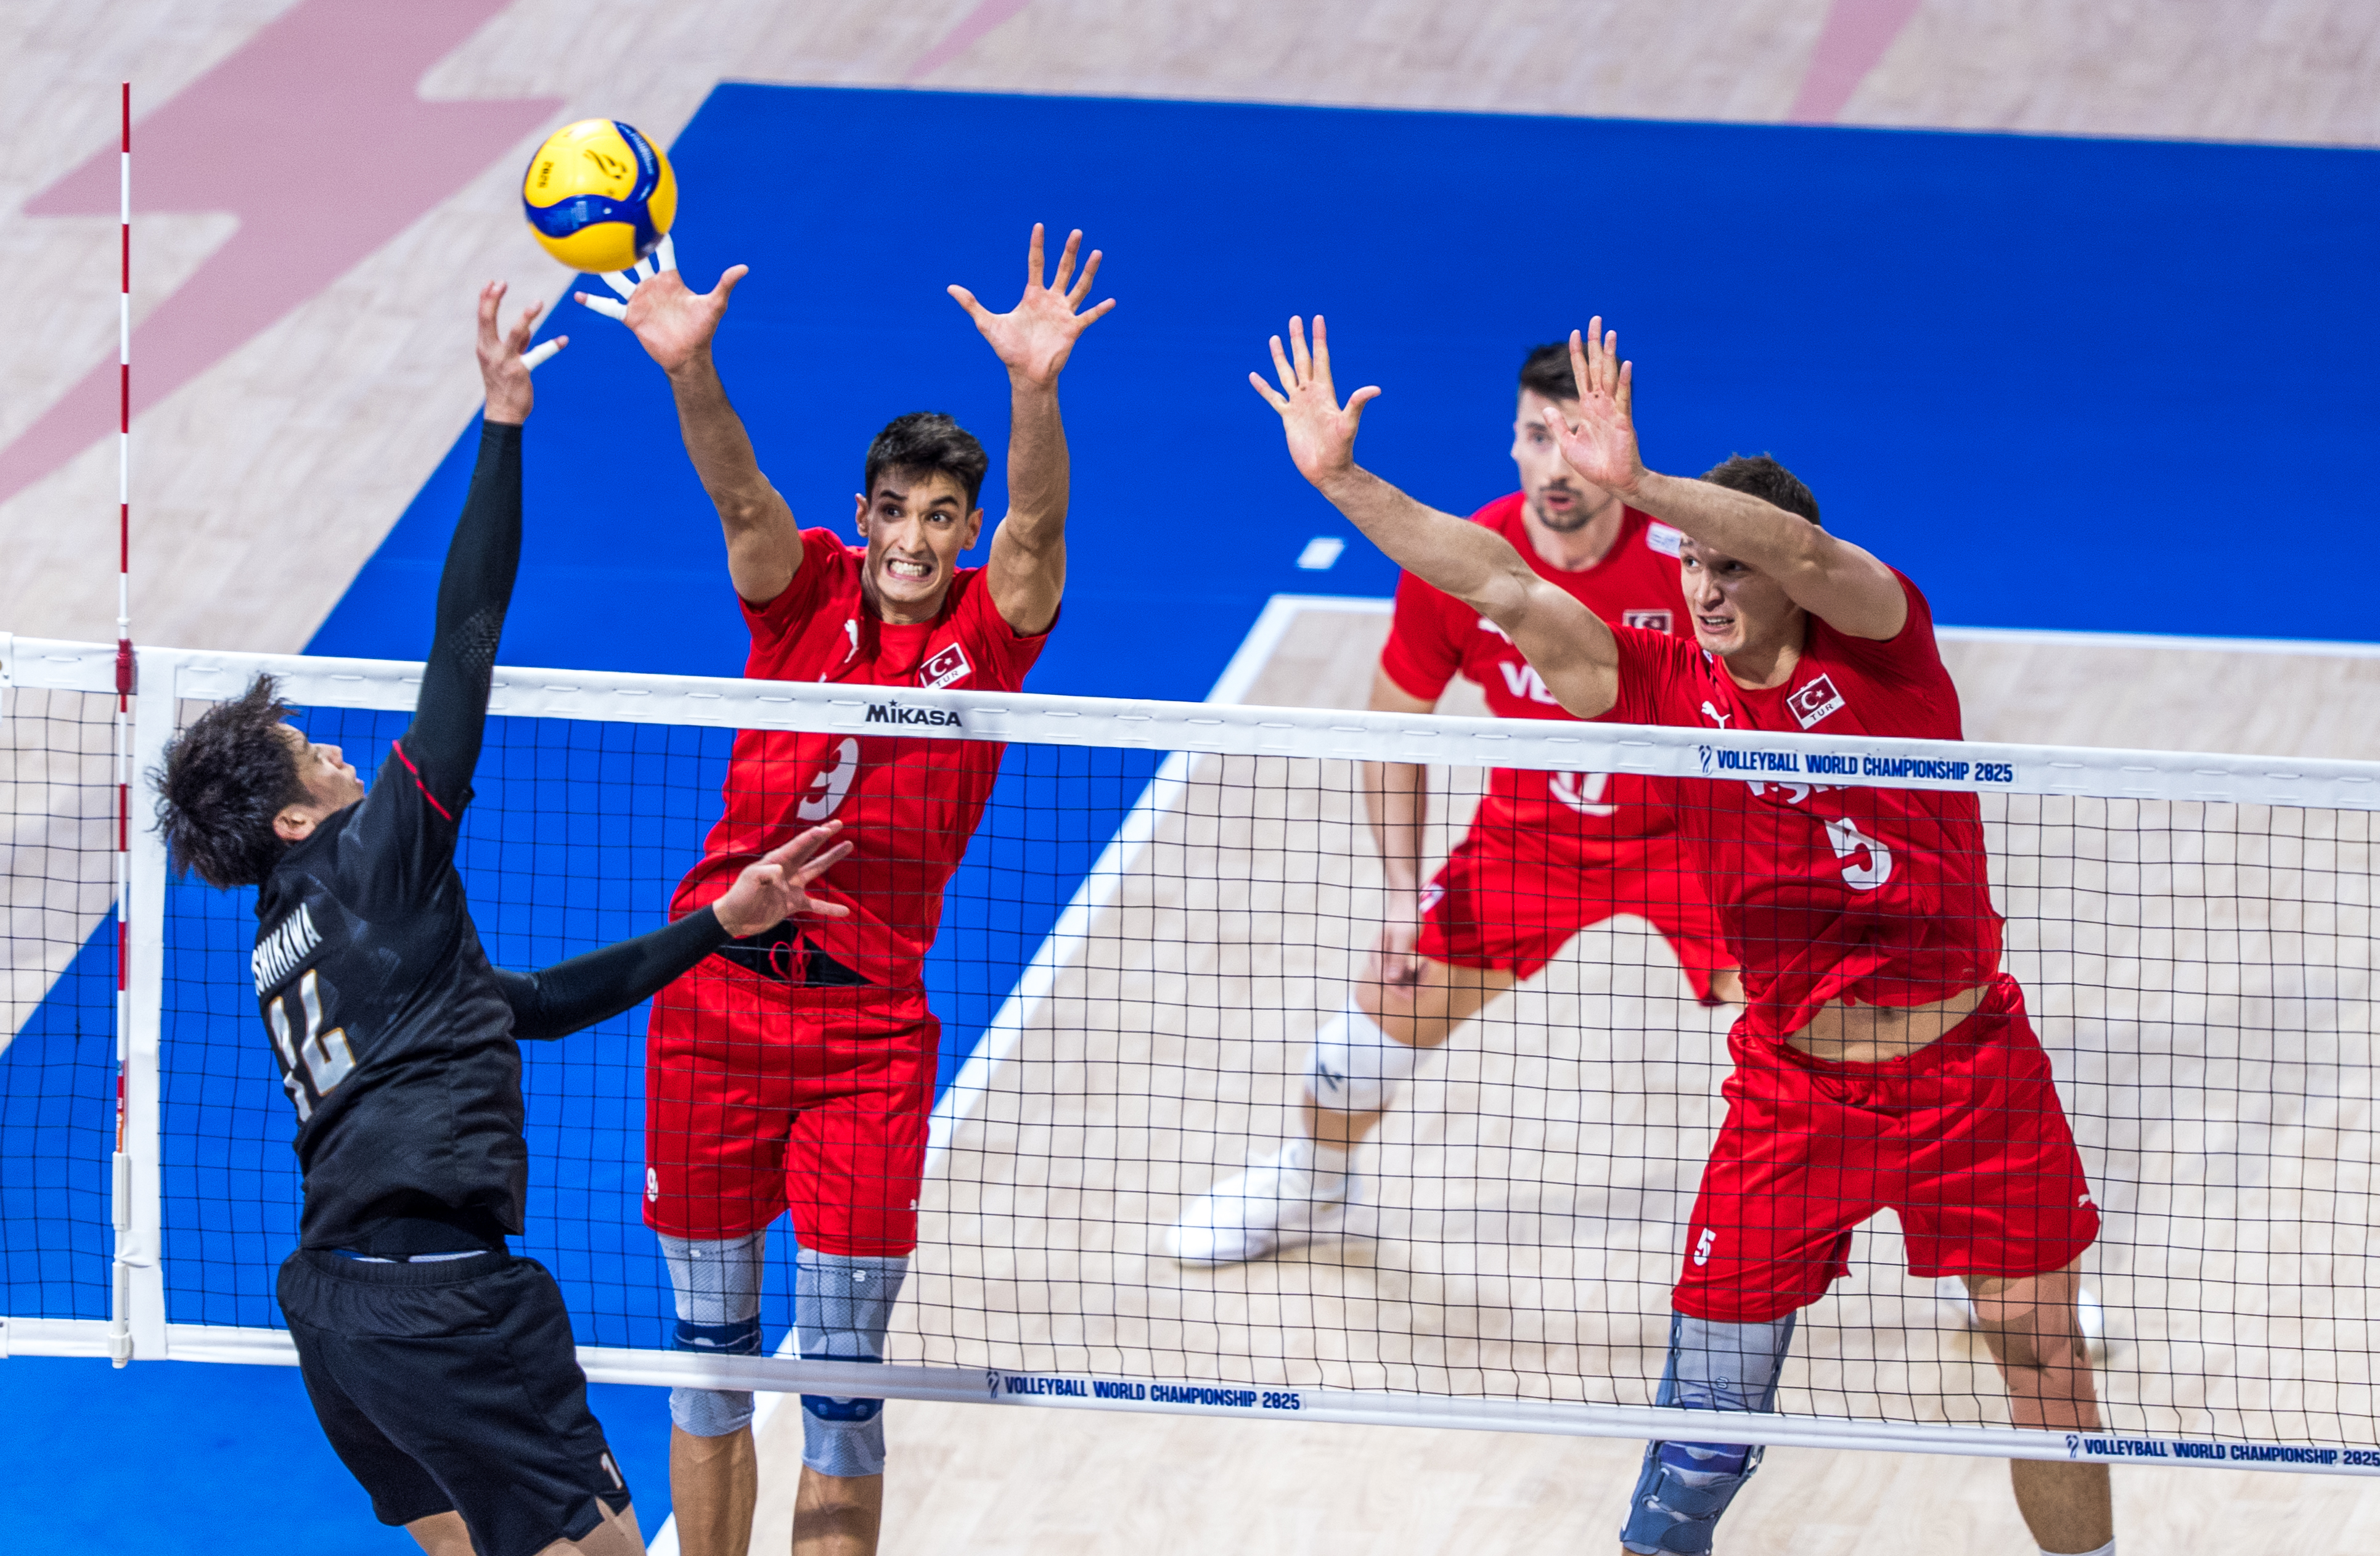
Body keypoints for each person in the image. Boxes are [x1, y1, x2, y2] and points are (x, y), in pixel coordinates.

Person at [1250, 315, 2114, 1556]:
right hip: (1795, 1096)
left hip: (1971, 1080)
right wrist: (1342, 481)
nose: (1704, 589)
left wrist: (1645, 483)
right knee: (1698, 1437)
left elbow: (1808, 547)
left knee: (2046, 1375)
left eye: (1729, 567)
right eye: (1692, 567)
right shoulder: (1658, 683)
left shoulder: (1886, 654)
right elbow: (1495, 583)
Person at [149, 287, 853, 1556]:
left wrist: (720, 922)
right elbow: (463, 640)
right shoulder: (375, 861)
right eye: (308, 753)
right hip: (449, 1306)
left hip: (336, 1312)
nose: (333, 749)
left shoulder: (282, 935)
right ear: (295, 818)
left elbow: (526, 1007)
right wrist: (503, 420)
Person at [578, 225, 1110, 1556]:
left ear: (963, 532)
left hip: (866, 1035)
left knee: (841, 1388)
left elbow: (1040, 530)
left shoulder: (991, 633)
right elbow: (738, 497)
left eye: (941, 515)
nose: (914, 536)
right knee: (708, 1362)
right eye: (895, 509)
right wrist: (689, 369)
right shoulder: (801, 590)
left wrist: (1032, 387)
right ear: (863, 515)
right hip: (711, 1007)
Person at [1169, 343, 1737, 1265]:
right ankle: (1313, 1184)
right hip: (1531, 842)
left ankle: (1965, 1247)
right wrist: (1402, 892)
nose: (1556, 465)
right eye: (1536, 436)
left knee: (1834, 1023)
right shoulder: (1467, 560)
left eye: (1576, 438)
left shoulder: (1691, 564)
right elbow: (1395, 727)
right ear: (1511, 442)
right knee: (1364, 1037)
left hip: (1698, 839)